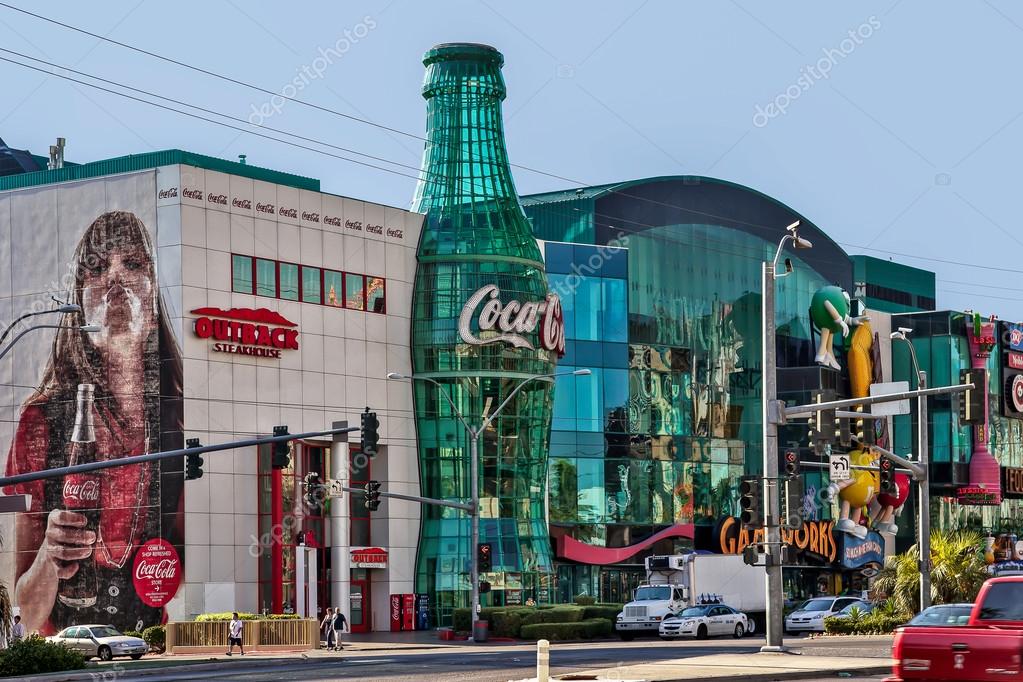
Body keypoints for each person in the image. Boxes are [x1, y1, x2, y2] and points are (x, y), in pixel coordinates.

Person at [5, 211, 184, 635]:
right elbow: (24, 615)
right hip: (59, 654)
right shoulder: (40, 421)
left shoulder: (177, 418)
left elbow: (188, 567)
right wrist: (49, 554)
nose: (115, 280)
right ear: (79, 293)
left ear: (154, 288)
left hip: (148, 644)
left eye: (134, 264)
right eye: (98, 268)